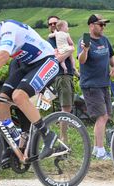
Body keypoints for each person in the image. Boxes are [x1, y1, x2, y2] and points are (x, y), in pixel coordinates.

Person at [0, 1, 60, 160]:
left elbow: (3, 57)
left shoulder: (8, 29)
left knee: (18, 96)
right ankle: (16, 144)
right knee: (1, 101)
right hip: (26, 65)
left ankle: (48, 136)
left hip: (47, 61)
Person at [77, 14, 114, 160]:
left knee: (106, 115)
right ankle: (100, 151)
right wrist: (86, 50)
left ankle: (96, 149)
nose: (103, 27)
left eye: (104, 25)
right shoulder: (84, 41)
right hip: (91, 85)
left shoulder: (105, 40)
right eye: (100, 24)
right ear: (91, 25)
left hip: (104, 83)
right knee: (101, 117)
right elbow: (81, 61)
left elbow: (111, 55)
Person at [47, 15, 75, 143]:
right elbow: (57, 59)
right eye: (50, 24)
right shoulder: (50, 42)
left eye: (55, 23)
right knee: (65, 107)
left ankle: (63, 137)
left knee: (67, 107)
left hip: (67, 75)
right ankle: (63, 138)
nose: (53, 25)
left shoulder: (61, 37)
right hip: (61, 76)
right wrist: (70, 51)